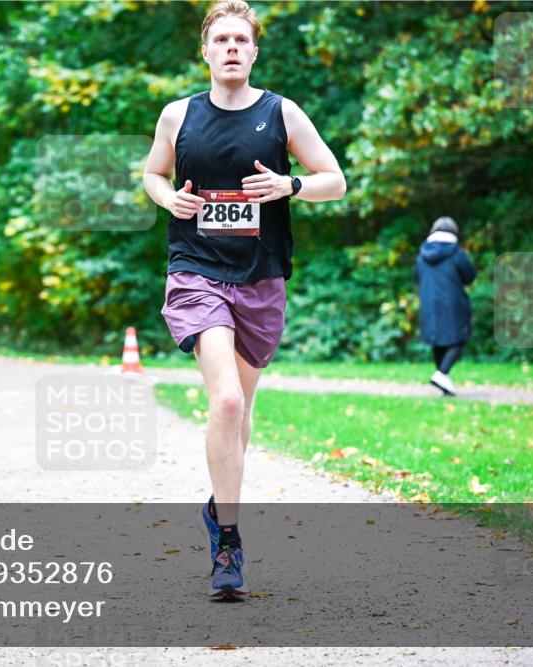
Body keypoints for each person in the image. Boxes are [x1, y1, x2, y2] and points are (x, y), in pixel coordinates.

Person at [142, 0, 346, 597]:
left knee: (242, 411)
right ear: (204, 50)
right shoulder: (178, 116)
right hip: (196, 270)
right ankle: (227, 541)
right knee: (226, 403)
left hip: (261, 279)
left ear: (254, 51)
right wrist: (167, 200)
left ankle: (219, 501)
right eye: (220, 38)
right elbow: (154, 173)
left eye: (241, 39)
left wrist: (292, 186)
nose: (231, 47)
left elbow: (335, 179)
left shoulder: (282, 114)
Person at [415, 216, 476, 396]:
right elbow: (469, 276)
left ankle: (443, 381)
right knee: (458, 339)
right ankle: (442, 374)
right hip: (453, 303)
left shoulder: (422, 254)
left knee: (438, 341)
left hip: (428, 303)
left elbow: (417, 278)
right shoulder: (457, 253)